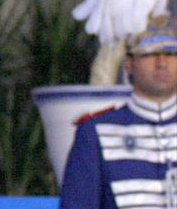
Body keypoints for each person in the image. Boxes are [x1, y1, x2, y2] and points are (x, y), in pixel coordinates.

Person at [61, 14, 177, 209]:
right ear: (129, 63)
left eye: (171, 54)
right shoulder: (95, 132)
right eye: (149, 53)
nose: (161, 63)